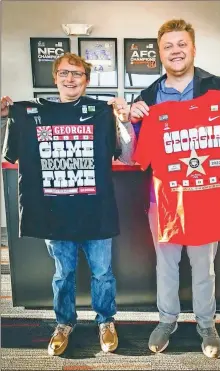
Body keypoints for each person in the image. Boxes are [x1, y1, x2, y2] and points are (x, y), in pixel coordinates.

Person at [129, 19, 220, 358]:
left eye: (181, 44)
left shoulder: (217, 85)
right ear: (160, 53)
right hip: (164, 198)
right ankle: (166, 321)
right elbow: (134, 153)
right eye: (168, 46)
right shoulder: (147, 96)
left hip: (208, 194)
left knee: (204, 266)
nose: (176, 51)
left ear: (192, 48)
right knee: (166, 264)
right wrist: (131, 120)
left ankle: (206, 324)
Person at [1, 53, 132, 356]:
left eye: (77, 74)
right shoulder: (26, 113)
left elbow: (125, 153)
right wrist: (3, 118)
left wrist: (122, 119)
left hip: (95, 210)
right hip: (54, 212)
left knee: (102, 272)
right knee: (63, 274)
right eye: (64, 73)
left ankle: (106, 321)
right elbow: (9, 155)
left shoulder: (101, 112)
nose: (70, 78)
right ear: (55, 77)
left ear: (86, 80)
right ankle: (64, 323)